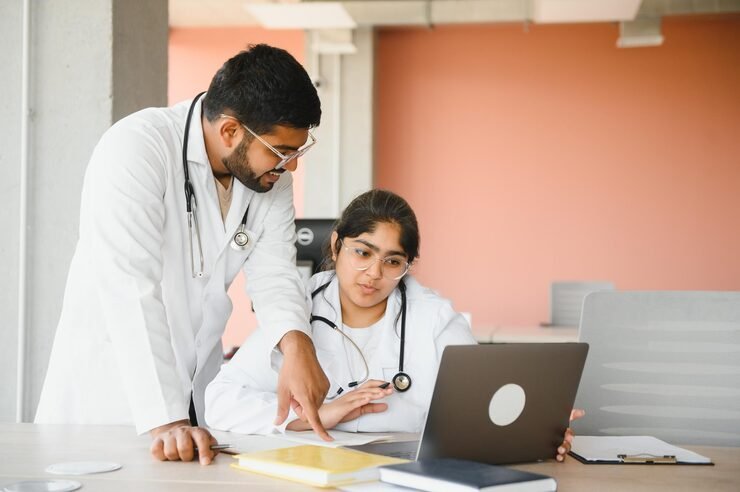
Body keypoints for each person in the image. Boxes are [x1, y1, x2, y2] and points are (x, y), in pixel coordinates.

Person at [35, 44, 332, 465]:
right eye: (282, 151)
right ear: (230, 131)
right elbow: (129, 287)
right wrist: (167, 420)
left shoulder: (271, 179)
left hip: (194, 402)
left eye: (298, 152)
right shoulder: (138, 148)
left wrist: (297, 345)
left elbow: (275, 275)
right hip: (112, 398)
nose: (292, 167)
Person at [204, 190, 581, 461]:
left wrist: (535, 432)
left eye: (393, 261)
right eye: (362, 252)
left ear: (407, 265)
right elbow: (220, 401)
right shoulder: (296, 310)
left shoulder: (433, 318)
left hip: (409, 471)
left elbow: (480, 407)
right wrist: (318, 416)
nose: (374, 273)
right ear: (336, 246)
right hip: (317, 466)